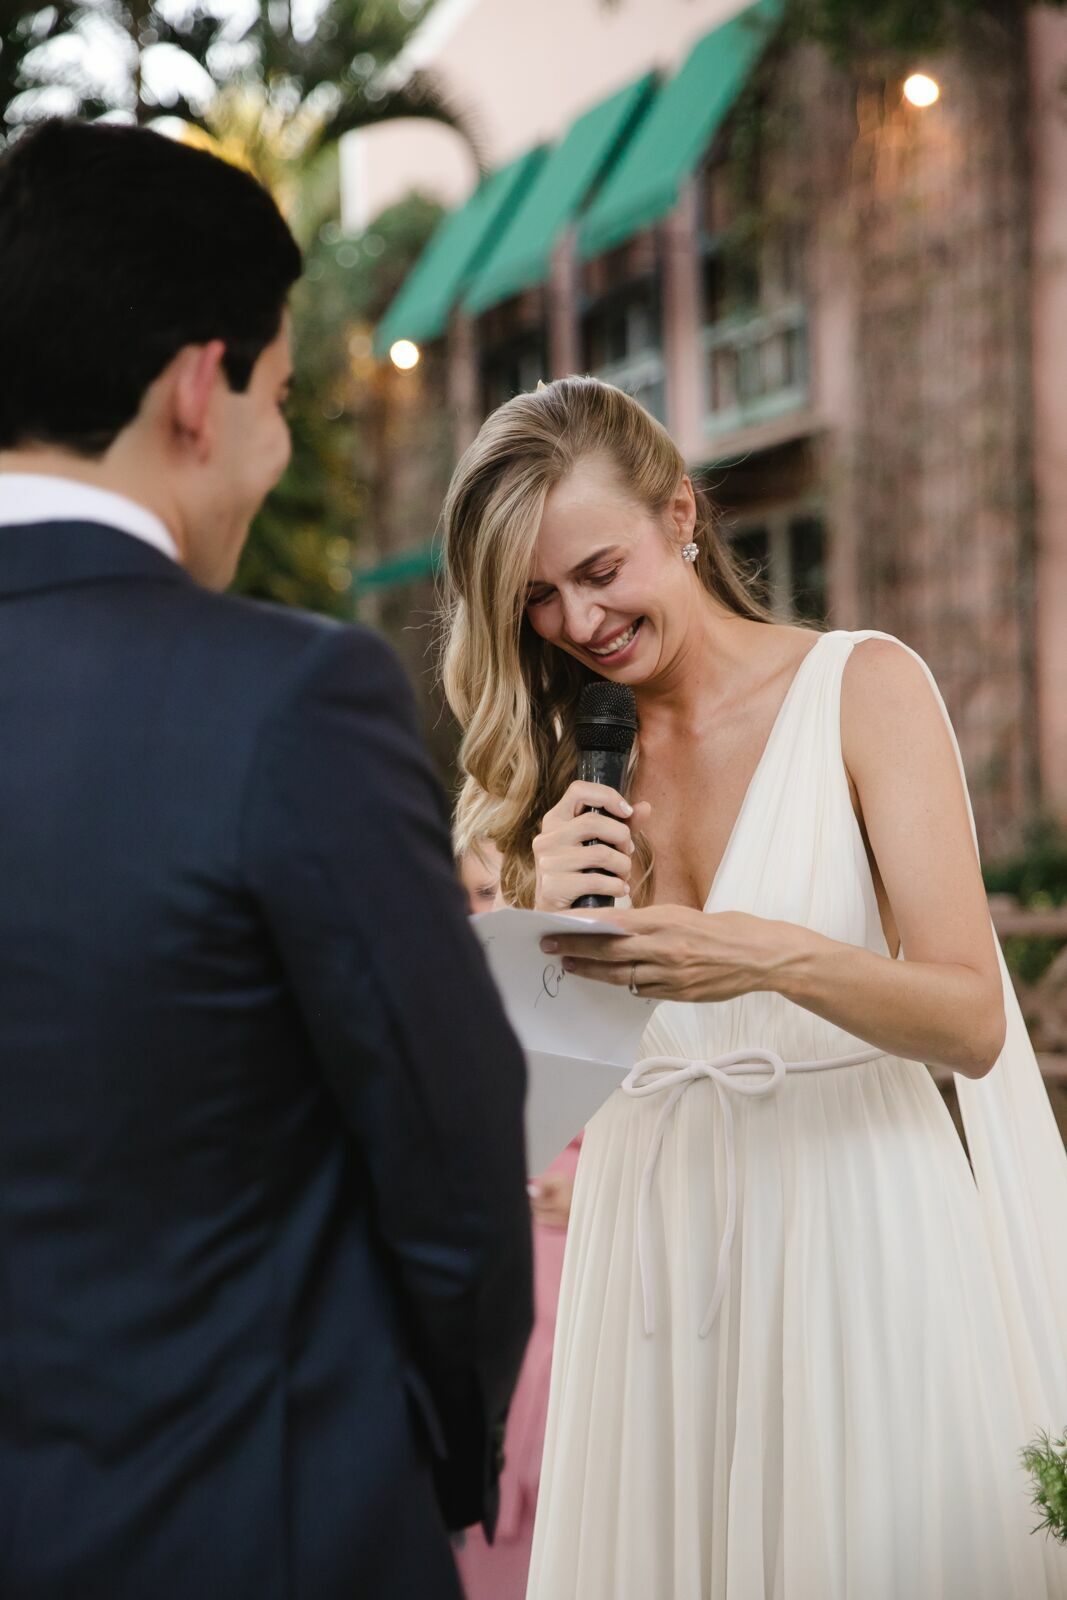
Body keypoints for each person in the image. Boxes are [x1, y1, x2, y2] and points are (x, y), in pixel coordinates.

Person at [0, 119, 532, 1600]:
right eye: (282, 397)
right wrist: (435, 1453)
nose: (279, 444)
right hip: (251, 1525)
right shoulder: (286, 700)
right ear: (198, 389)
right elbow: (450, 1148)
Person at [439, 375, 1067, 1600]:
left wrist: (760, 955)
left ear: (679, 514)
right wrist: (539, 923)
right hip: (648, 1247)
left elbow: (969, 1021)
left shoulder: (860, 688)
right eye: (537, 598)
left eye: (599, 570)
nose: (577, 621)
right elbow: (529, 1094)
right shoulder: (566, 762)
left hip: (850, 1221)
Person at [454, 841, 580, 1600]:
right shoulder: (453, 994)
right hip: (494, 1246)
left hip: (575, 1255)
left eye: (501, 889)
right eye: (475, 892)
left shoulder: (575, 982)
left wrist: (584, 1191)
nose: (488, 909)